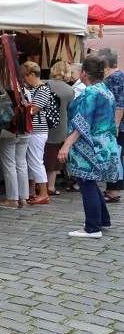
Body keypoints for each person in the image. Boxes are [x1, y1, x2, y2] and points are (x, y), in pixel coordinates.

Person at [57, 55, 118, 238]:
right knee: (90, 182)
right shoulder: (105, 90)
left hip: (90, 145)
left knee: (87, 183)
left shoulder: (92, 92)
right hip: (104, 143)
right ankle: (101, 219)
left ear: (84, 73)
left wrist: (66, 145)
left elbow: (82, 122)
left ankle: (92, 227)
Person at [95, 48, 124, 203]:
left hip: (116, 125)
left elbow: (119, 104)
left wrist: (116, 125)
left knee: (115, 155)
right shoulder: (114, 77)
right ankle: (112, 188)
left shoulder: (116, 78)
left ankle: (114, 190)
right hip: (112, 124)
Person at [21, 61, 52, 205]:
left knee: (36, 162)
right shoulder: (34, 88)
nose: (24, 80)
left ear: (32, 75)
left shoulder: (42, 89)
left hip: (38, 130)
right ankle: (32, 191)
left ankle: (44, 193)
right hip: (33, 129)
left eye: (25, 77)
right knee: (32, 162)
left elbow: (34, 109)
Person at [44, 61, 76, 195]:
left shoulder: (45, 84)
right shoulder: (70, 90)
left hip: (43, 125)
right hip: (61, 127)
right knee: (54, 159)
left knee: (41, 156)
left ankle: (41, 186)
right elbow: (70, 110)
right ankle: (50, 186)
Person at [0, 128, 30, 210]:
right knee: (21, 164)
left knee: (9, 165)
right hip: (26, 128)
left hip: (8, 130)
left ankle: (12, 199)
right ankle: (23, 198)